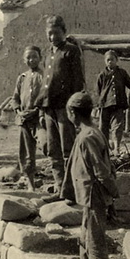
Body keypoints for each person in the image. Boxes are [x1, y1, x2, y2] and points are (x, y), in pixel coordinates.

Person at [61, 92, 119, 259]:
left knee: (94, 241)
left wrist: (112, 194)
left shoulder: (88, 137)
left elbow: (101, 170)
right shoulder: (90, 133)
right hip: (88, 196)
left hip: (95, 195)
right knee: (84, 237)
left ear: (72, 113)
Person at [37, 15, 85, 192]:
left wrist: (73, 107)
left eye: (56, 33)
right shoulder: (49, 52)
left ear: (63, 32)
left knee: (68, 149)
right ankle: (59, 188)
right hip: (49, 107)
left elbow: (77, 81)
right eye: (49, 33)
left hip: (64, 108)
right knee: (53, 149)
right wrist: (42, 109)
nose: (52, 37)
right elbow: (45, 83)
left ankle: (71, 189)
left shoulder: (71, 50)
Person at [10, 46, 44, 191]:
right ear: (24, 60)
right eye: (28, 57)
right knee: (26, 153)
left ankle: (59, 181)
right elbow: (15, 97)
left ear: (40, 58)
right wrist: (18, 111)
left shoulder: (44, 76)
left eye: (34, 57)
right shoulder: (22, 78)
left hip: (39, 119)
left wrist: (37, 111)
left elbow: (47, 97)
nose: (31, 60)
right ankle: (30, 182)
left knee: (48, 145)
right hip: (24, 120)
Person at [96, 50, 130, 156]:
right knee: (103, 128)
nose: (110, 62)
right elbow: (98, 89)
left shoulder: (122, 73)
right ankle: (104, 149)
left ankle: (116, 148)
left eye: (112, 60)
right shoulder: (102, 75)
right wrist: (102, 100)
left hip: (118, 105)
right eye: (108, 60)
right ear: (105, 62)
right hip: (105, 105)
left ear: (117, 60)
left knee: (117, 127)